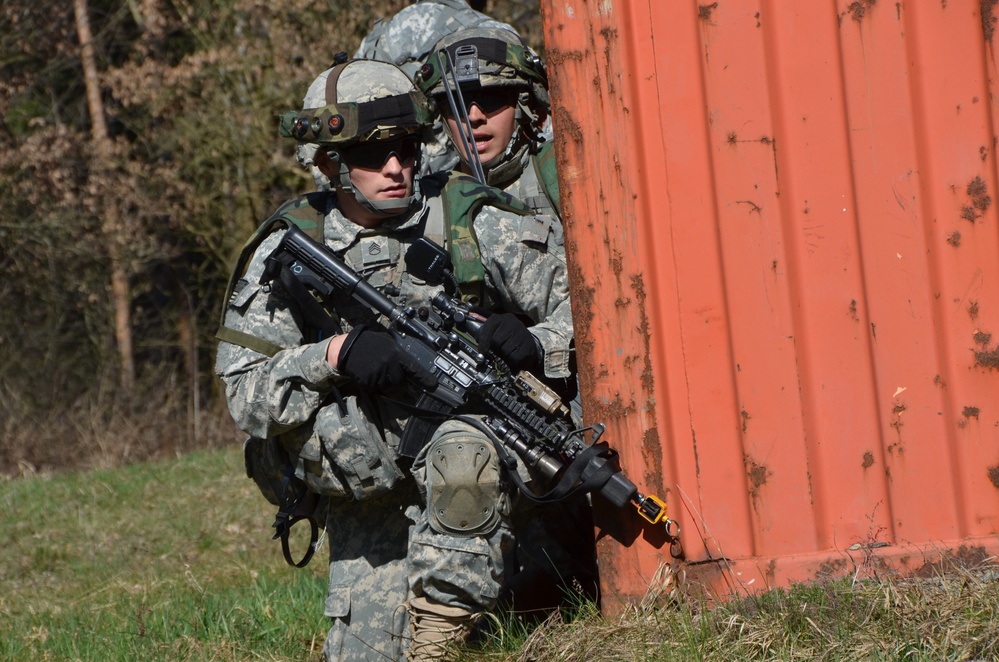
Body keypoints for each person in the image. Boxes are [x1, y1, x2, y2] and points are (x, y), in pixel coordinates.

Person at [215, 58, 574, 661]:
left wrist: (535, 342)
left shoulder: (466, 221)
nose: (395, 167)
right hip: (370, 486)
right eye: (370, 155)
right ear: (328, 162)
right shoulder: (290, 248)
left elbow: (584, 314)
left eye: (406, 149)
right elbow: (243, 393)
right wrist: (334, 354)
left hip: (481, 467)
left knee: (466, 459)